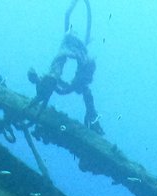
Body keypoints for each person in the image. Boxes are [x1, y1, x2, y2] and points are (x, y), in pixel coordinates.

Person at [26, 4, 103, 134]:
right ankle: (92, 121)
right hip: (59, 78)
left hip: (61, 77)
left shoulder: (48, 78)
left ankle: (92, 120)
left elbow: (48, 92)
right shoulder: (48, 79)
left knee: (77, 84)